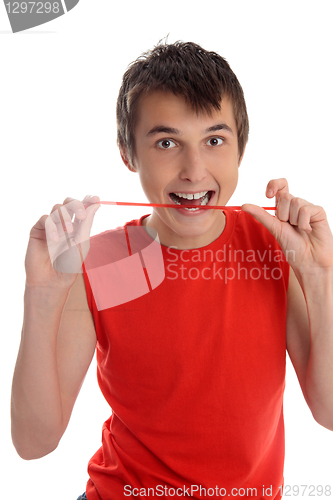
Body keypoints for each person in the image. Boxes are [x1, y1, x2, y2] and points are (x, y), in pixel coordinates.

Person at [11, 41, 333, 500]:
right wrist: (43, 294)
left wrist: (320, 276)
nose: (194, 170)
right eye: (167, 143)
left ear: (241, 148)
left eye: (214, 140)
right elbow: (33, 443)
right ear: (128, 152)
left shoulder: (275, 248)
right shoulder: (100, 264)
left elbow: (329, 412)